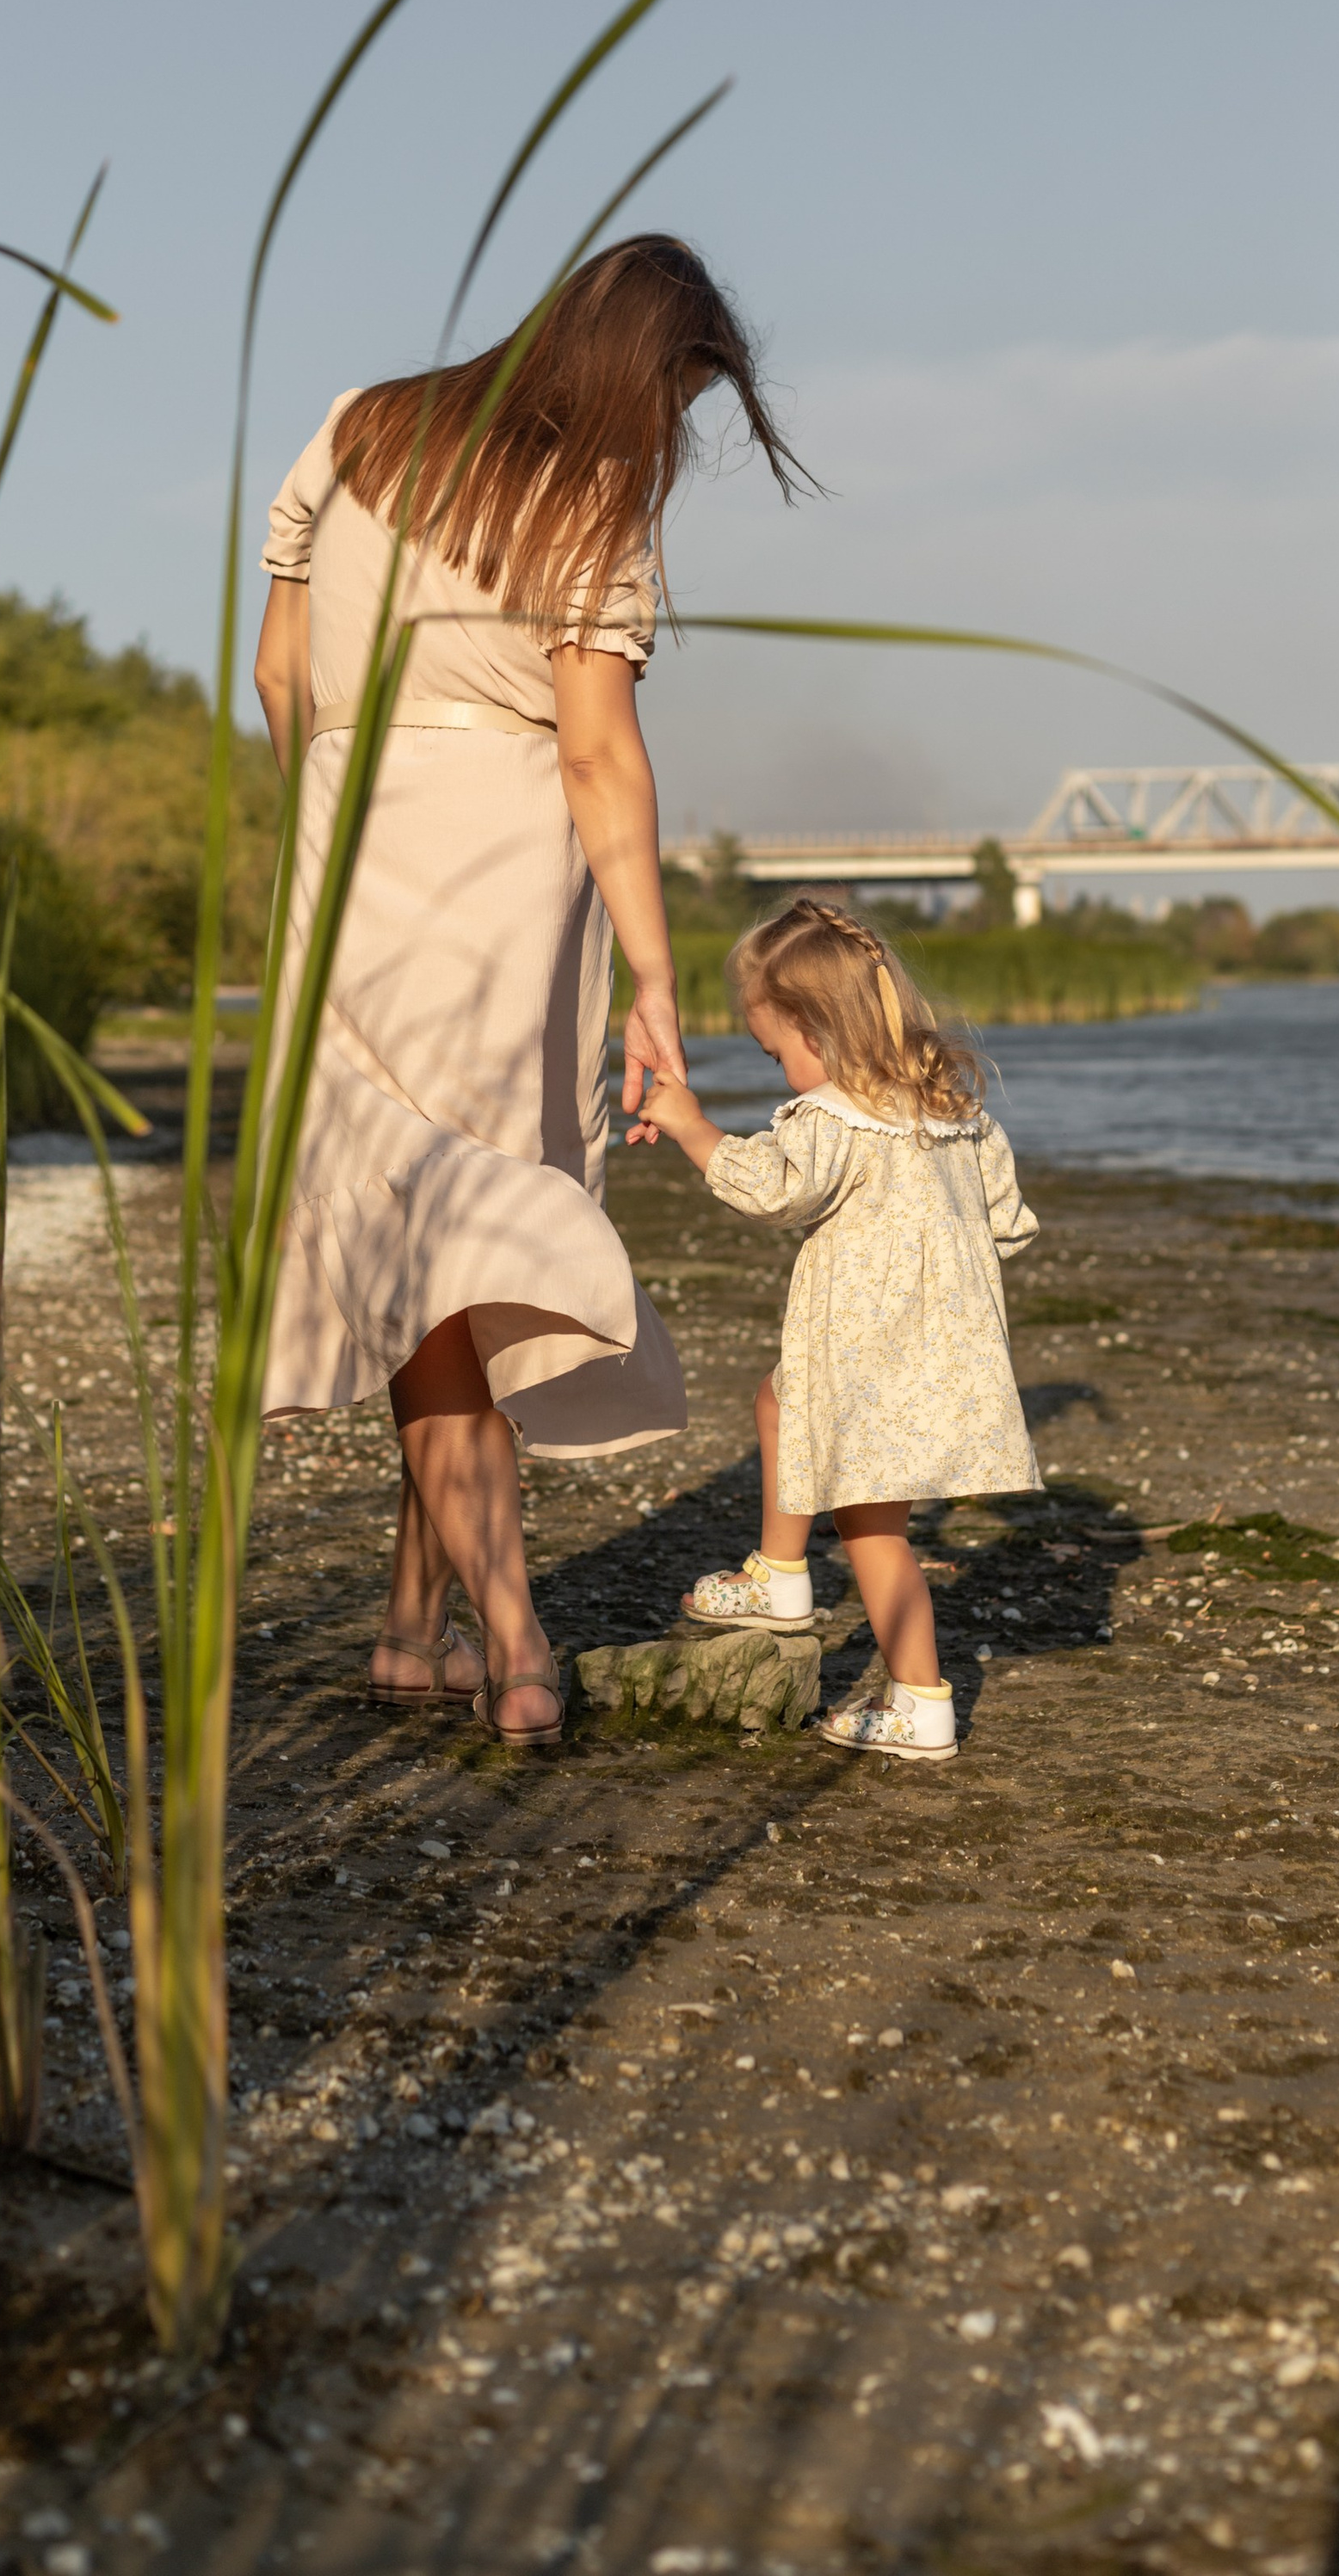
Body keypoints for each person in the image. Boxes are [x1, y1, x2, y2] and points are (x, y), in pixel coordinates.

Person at [252, 235, 805, 1746]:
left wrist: (332, 815)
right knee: (462, 1252)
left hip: (340, 855)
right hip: (502, 889)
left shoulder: (357, 425)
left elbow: (282, 677)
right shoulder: (589, 500)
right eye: (676, 402)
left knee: (422, 1251)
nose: (669, 434)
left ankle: (409, 1627)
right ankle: (514, 1646)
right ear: (638, 376)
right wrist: (653, 974)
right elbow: (598, 753)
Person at [626, 897, 1041, 1760]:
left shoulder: (833, 1119)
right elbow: (1007, 1222)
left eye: (775, 1052)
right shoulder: (956, 1114)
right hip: (934, 1352)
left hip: (869, 1359)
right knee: (780, 1401)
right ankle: (780, 1575)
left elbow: (773, 1189)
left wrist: (692, 1125)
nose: (779, 1070)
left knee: (872, 1533)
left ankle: (919, 1701)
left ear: (815, 1031)